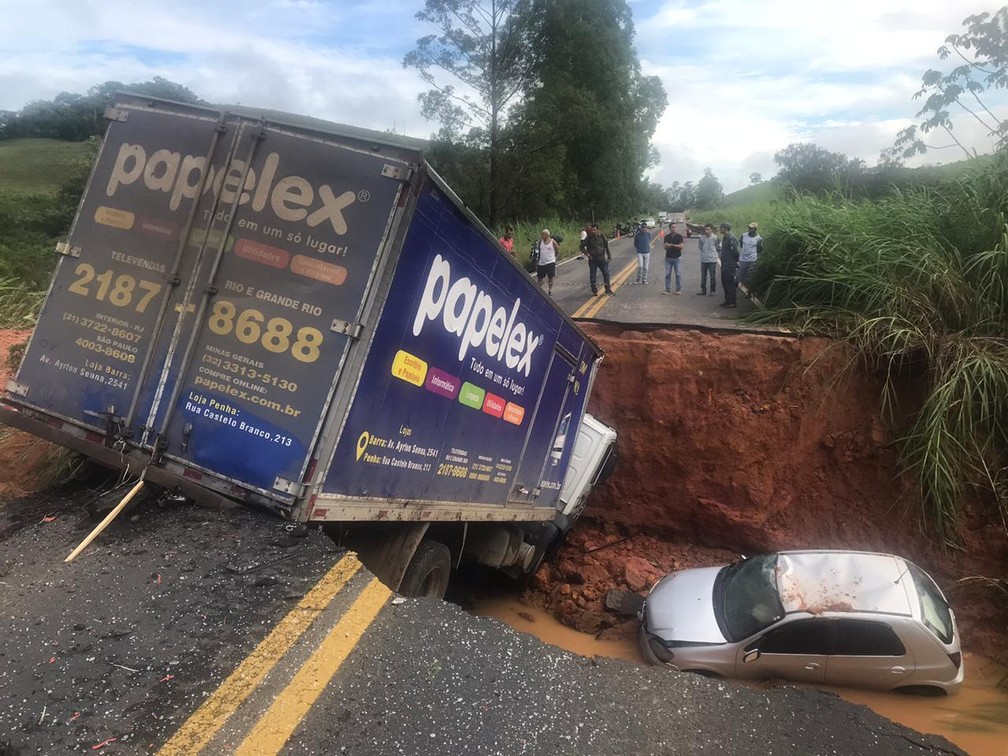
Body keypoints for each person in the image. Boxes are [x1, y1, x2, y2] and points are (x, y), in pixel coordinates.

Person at [580, 223, 613, 296]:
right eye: (592, 230)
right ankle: (594, 290)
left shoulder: (602, 237)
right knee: (593, 275)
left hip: (601, 258)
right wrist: (587, 254)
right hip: (593, 259)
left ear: (598, 230)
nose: (593, 231)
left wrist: (609, 256)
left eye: (594, 230)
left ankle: (607, 289)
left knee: (606, 273)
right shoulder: (589, 238)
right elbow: (581, 247)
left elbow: (606, 247)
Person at [719, 222, 739, 308]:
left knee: (730, 284)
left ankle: (732, 302)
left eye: (721, 228)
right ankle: (727, 300)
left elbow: (735, 252)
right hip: (725, 264)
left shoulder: (731, 238)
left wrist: (735, 262)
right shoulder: (725, 238)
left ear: (725, 229)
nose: (720, 229)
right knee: (725, 283)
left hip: (729, 265)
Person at [534, 229, 560, 295]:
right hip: (541, 263)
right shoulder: (540, 242)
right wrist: (537, 262)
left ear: (547, 235)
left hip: (550, 262)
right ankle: (539, 291)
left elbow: (557, 250)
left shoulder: (552, 242)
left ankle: (550, 290)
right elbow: (539, 253)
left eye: (543, 234)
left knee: (550, 277)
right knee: (540, 278)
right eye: (542, 234)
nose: (542, 236)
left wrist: (555, 258)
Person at [738, 222, 762, 289]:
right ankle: (741, 287)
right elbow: (741, 244)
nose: (749, 229)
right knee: (741, 274)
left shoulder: (758, 238)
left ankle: (749, 289)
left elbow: (759, 249)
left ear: (755, 229)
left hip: (752, 259)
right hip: (743, 258)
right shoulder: (744, 235)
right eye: (749, 228)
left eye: (751, 228)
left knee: (750, 275)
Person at [696, 223, 718, 296]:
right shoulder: (702, 238)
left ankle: (712, 290)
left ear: (711, 230)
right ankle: (703, 290)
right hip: (704, 259)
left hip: (712, 260)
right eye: (705, 229)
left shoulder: (715, 238)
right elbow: (700, 246)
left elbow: (718, 247)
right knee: (703, 276)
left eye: (708, 229)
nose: (706, 231)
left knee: (712, 276)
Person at [662, 221, 684, 294]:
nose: (674, 229)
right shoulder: (667, 237)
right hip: (668, 257)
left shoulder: (679, 236)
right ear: (670, 228)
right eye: (672, 227)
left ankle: (678, 289)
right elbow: (665, 247)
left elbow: (681, 246)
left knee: (678, 274)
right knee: (667, 274)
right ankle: (667, 289)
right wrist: (667, 245)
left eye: (675, 227)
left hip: (677, 257)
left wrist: (672, 245)